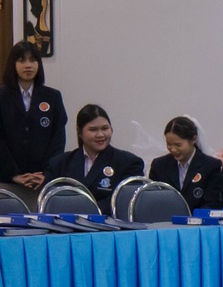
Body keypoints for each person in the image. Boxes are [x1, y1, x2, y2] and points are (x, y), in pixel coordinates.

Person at [44, 105, 145, 212]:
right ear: (79, 132)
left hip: (109, 225)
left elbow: (124, 201)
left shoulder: (129, 162)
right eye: (93, 130)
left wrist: (87, 211)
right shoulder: (59, 163)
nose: (100, 135)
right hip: (67, 224)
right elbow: (51, 200)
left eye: (105, 128)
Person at [0, 41, 65, 193]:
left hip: (42, 181)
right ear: (13, 64)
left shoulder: (52, 96)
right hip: (7, 180)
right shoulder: (2, 96)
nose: (28, 65)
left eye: (33, 60)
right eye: (22, 60)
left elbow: (58, 140)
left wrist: (47, 174)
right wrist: (13, 174)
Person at [147, 116, 223, 211]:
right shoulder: (159, 165)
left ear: (193, 139)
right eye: (169, 144)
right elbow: (152, 201)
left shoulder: (211, 166)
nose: (173, 149)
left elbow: (212, 203)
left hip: (198, 222)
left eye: (178, 145)